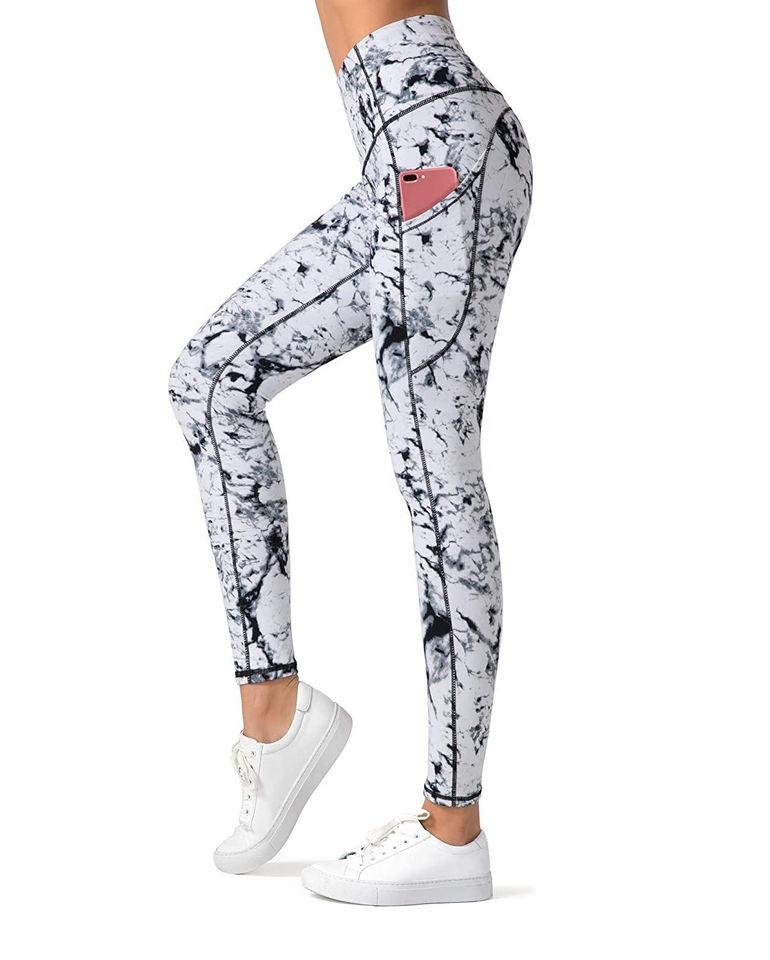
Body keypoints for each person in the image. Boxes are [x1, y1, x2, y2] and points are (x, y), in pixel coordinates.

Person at [168, 0, 531, 905]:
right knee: (211, 380)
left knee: (436, 473)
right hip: (409, 151)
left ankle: (453, 826)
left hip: (430, 143)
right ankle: (276, 717)